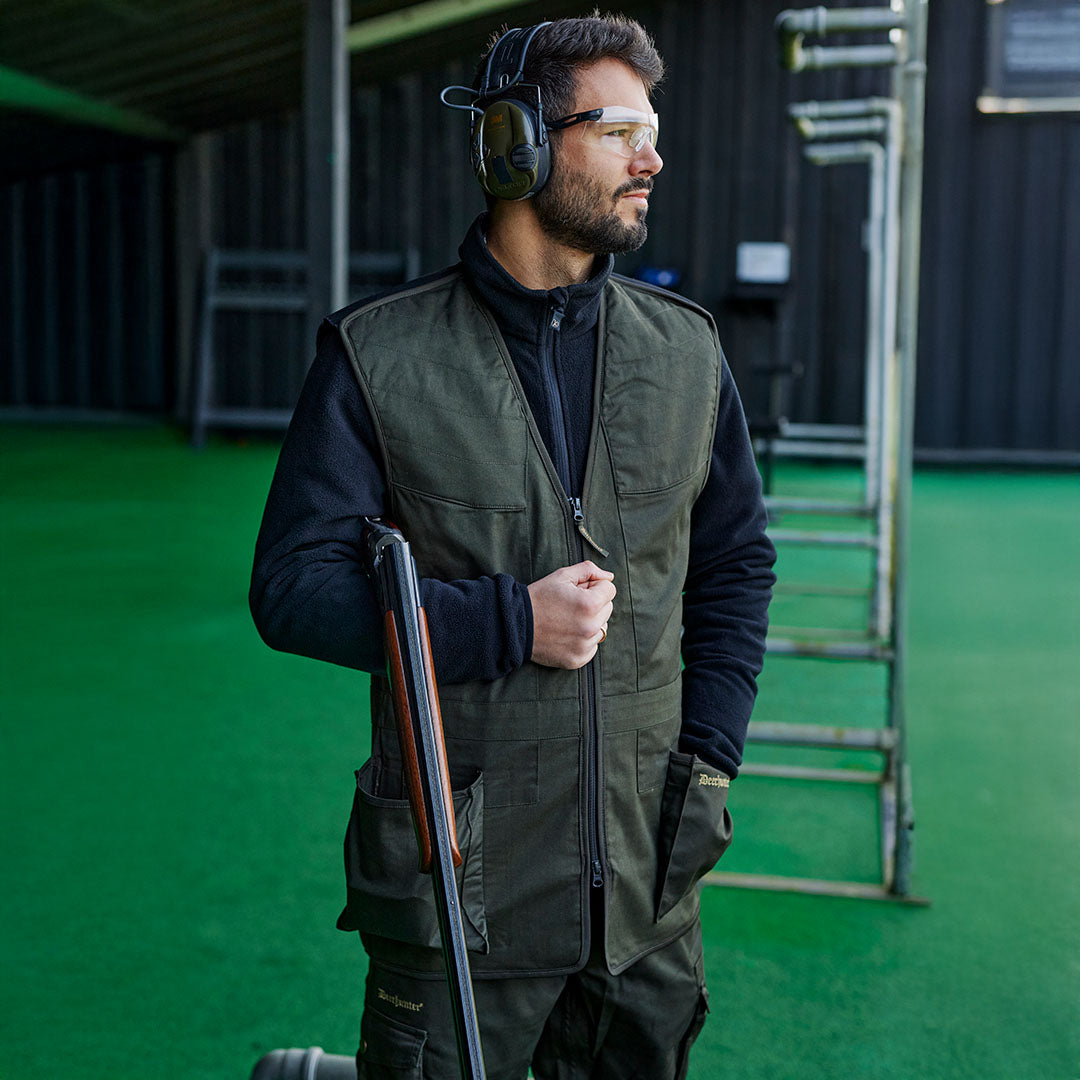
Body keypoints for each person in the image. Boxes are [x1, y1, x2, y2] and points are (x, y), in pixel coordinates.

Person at [250, 13, 775, 1079]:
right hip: (459, 894)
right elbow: (292, 589)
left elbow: (735, 565)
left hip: (646, 892)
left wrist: (707, 763)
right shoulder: (377, 355)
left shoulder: (688, 352)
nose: (653, 157)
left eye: (652, 128)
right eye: (620, 128)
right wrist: (504, 622)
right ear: (516, 144)